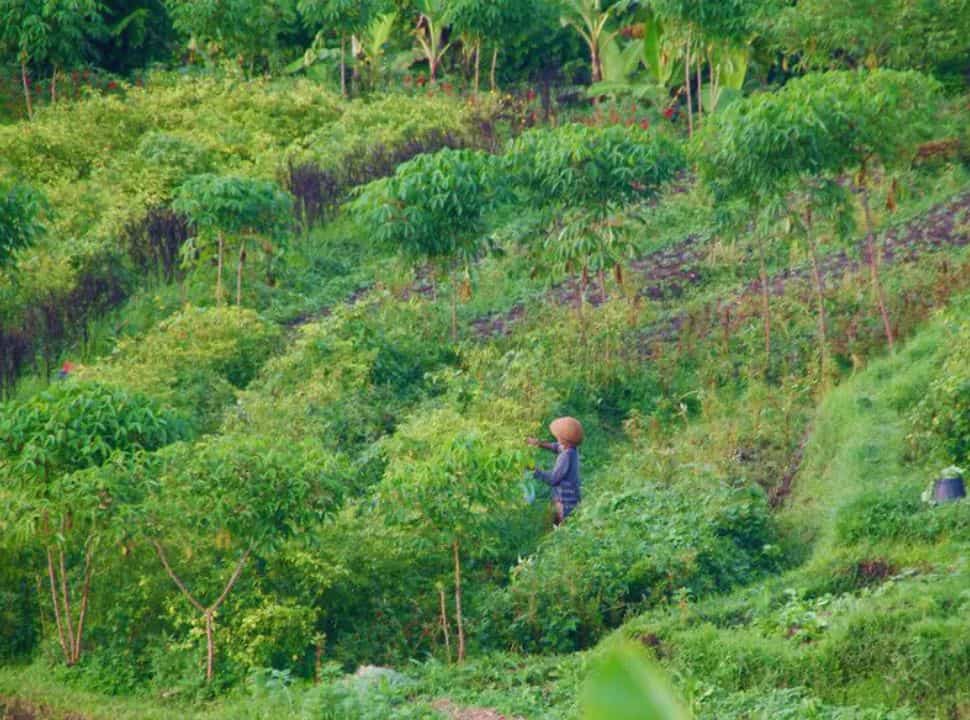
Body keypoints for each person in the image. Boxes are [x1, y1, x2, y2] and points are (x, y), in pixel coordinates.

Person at [527, 416, 583, 525]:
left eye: (558, 436)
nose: (556, 437)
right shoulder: (571, 449)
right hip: (572, 497)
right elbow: (556, 447)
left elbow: (553, 479)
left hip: (565, 501)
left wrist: (534, 470)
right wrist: (539, 443)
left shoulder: (565, 456)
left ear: (563, 439)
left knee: (563, 527)